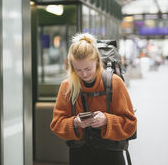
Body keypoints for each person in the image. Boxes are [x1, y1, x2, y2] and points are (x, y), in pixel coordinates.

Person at [50, 33, 137, 165]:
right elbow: (56, 124)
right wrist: (75, 123)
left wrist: (106, 120)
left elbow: (130, 123)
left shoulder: (114, 82)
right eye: (78, 70)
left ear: (97, 61)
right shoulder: (67, 86)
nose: (84, 74)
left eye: (88, 68)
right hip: (79, 155)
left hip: (111, 154)